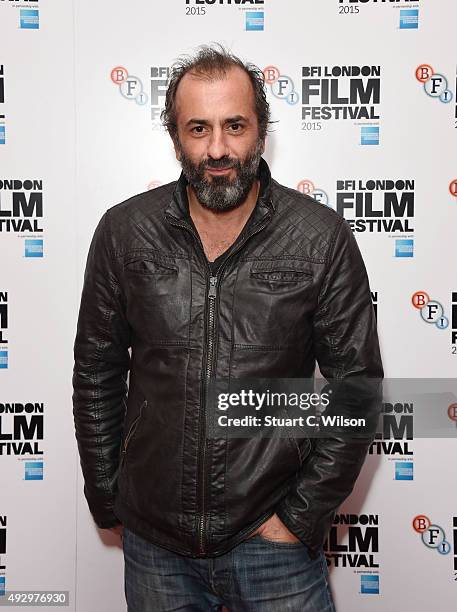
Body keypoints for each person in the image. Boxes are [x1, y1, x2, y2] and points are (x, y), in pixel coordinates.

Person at [73, 44, 383, 612]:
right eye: (199, 128)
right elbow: (96, 373)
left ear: (262, 131)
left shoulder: (319, 238)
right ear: (175, 137)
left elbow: (357, 389)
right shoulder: (124, 233)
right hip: (156, 548)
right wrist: (108, 497)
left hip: (274, 546)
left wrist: (301, 516)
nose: (218, 149)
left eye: (234, 125)